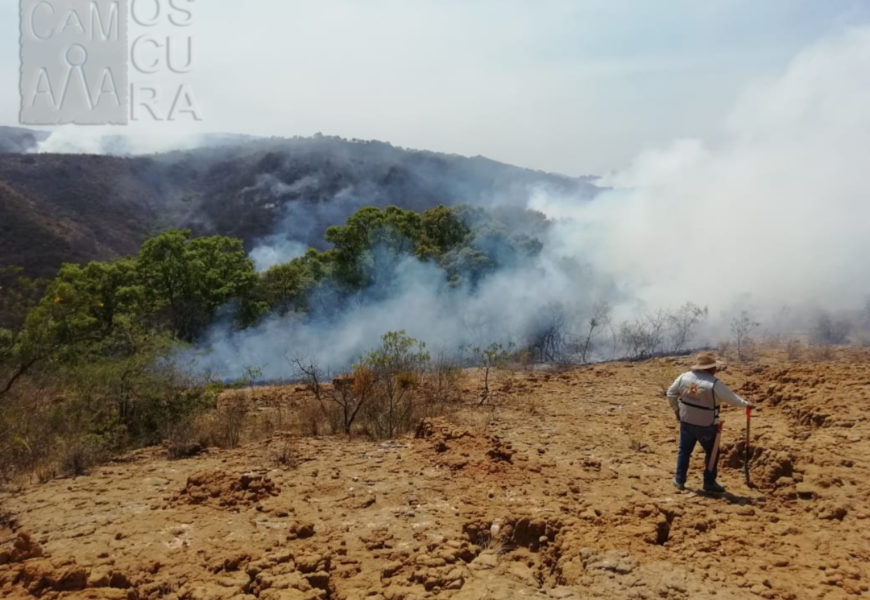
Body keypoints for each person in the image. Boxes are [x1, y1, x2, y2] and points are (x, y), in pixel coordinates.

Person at [666, 351, 753, 493]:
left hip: (686, 420)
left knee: (684, 451)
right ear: (711, 369)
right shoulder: (714, 384)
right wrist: (746, 404)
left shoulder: (684, 377)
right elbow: (732, 399)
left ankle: (679, 480)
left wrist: (677, 411)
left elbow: (671, 393)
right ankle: (709, 482)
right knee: (712, 453)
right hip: (707, 424)